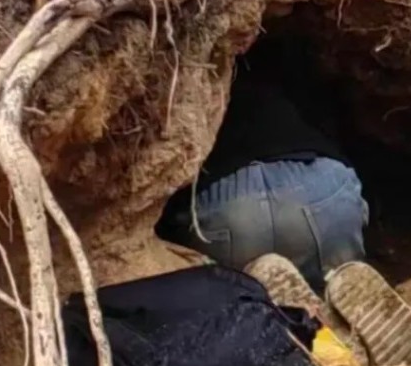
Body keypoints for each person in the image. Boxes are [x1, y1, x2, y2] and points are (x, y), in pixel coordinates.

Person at [157, 54, 367, 295]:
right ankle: (338, 295)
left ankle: (267, 310)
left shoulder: (183, 97)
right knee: (338, 291)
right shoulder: (285, 78)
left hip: (228, 209)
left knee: (243, 307)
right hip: (317, 187)